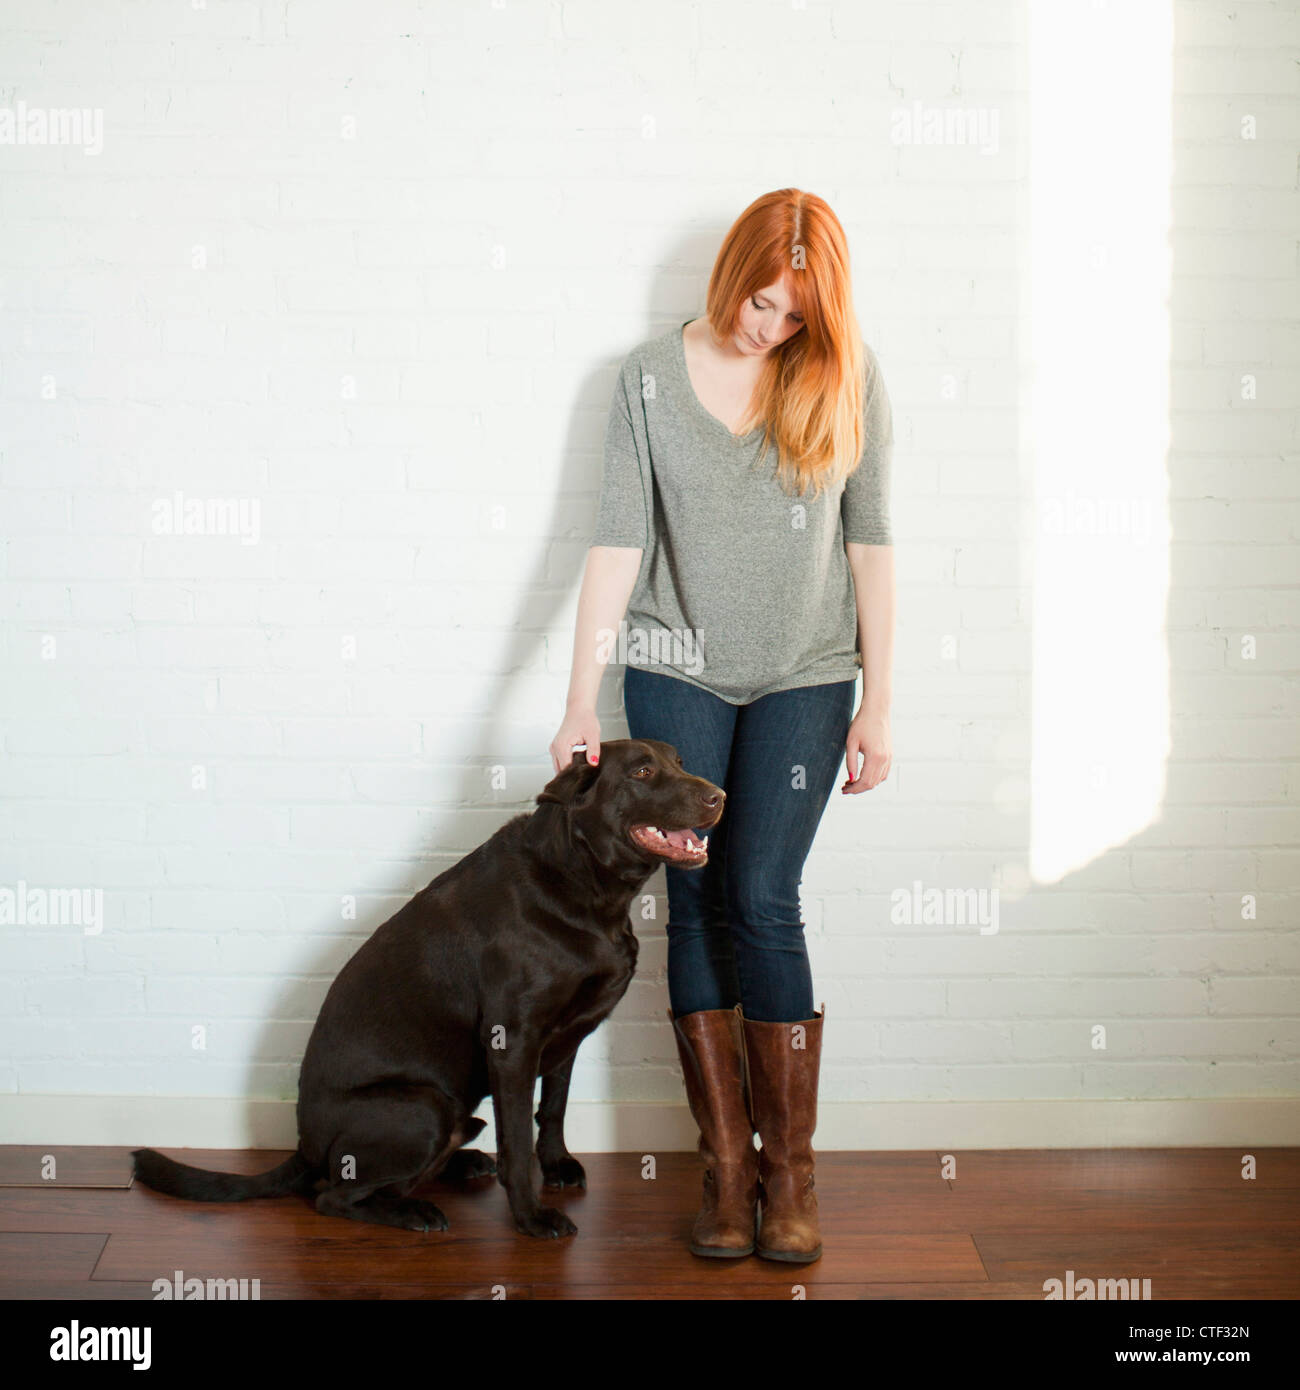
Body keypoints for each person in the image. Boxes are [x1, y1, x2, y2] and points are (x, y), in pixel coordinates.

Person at [549, 188, 896, 1264]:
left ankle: (790, 1179)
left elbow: (870, 544)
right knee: (694, 900)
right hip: (674, 667)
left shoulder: (845, 374)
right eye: (759, 302)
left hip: (804, 672)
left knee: (761, 896)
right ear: (733, 270)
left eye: (794, 317)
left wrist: (878, 701)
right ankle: (726, 1177)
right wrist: (576, 698)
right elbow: (614, 544)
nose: (768, 328)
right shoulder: (646, 380)